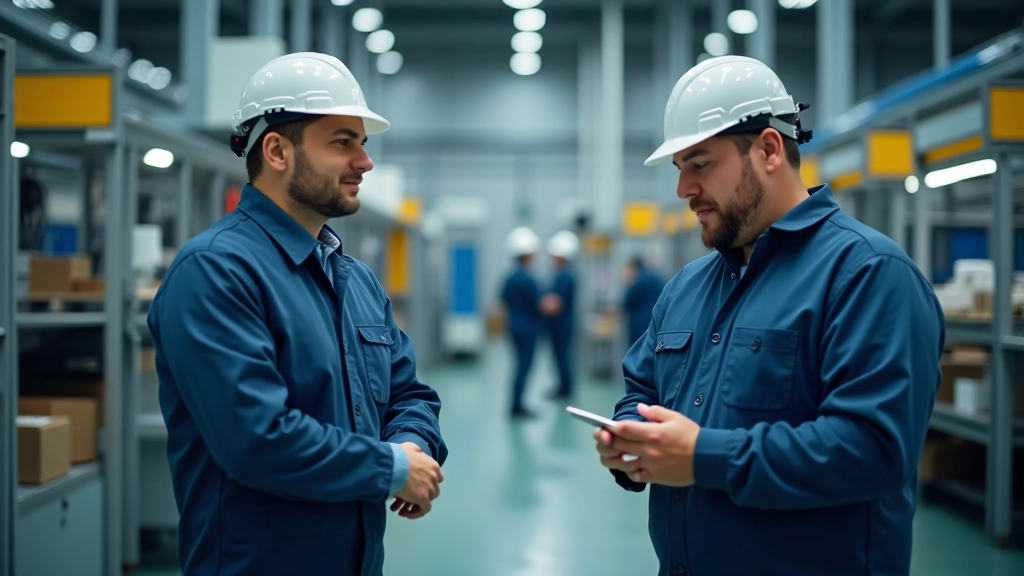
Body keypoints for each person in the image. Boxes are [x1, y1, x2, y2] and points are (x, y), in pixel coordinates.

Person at [593, 55, 944, 576]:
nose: (683, 189)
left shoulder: (868, 274)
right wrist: (631, 439)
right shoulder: (688, 286)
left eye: (700, 163)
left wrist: (702, 456)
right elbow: (641, 388)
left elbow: (874, 450)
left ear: (769, 149)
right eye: (680, 168)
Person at [147, 53, 447, 576]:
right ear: (277, 150)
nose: (365, 162)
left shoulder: (353, 279)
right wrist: (391, 468)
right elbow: (255, 438)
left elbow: (410, 393)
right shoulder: (216, 271)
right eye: (342, 142)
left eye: (363, 143)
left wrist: (412, 447)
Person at [501, 226, 557, 418]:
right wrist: (553, 303)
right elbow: (542, 305)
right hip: (528, 329)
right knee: (524, 366)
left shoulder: (510, 278)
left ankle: (516, 402)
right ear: (527, 254)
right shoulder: (528, 279)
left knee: (518, 365)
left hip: (514, 327)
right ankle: (517, 406)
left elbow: (503, 301)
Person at [545, 230, 579, 399]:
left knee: (562, 356)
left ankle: (566, 388)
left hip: (561, 325)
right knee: (559, 356)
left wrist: (538, 304)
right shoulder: (563, 274)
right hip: (560, 324)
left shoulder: (565, 276)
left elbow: (555, 304)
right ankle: (562, 386)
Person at [621, 255, 666, 347]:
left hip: (639, 326)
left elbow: (626, 303)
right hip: (658, 325)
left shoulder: (637, 281)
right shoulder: (657, 278)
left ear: (633, 267)